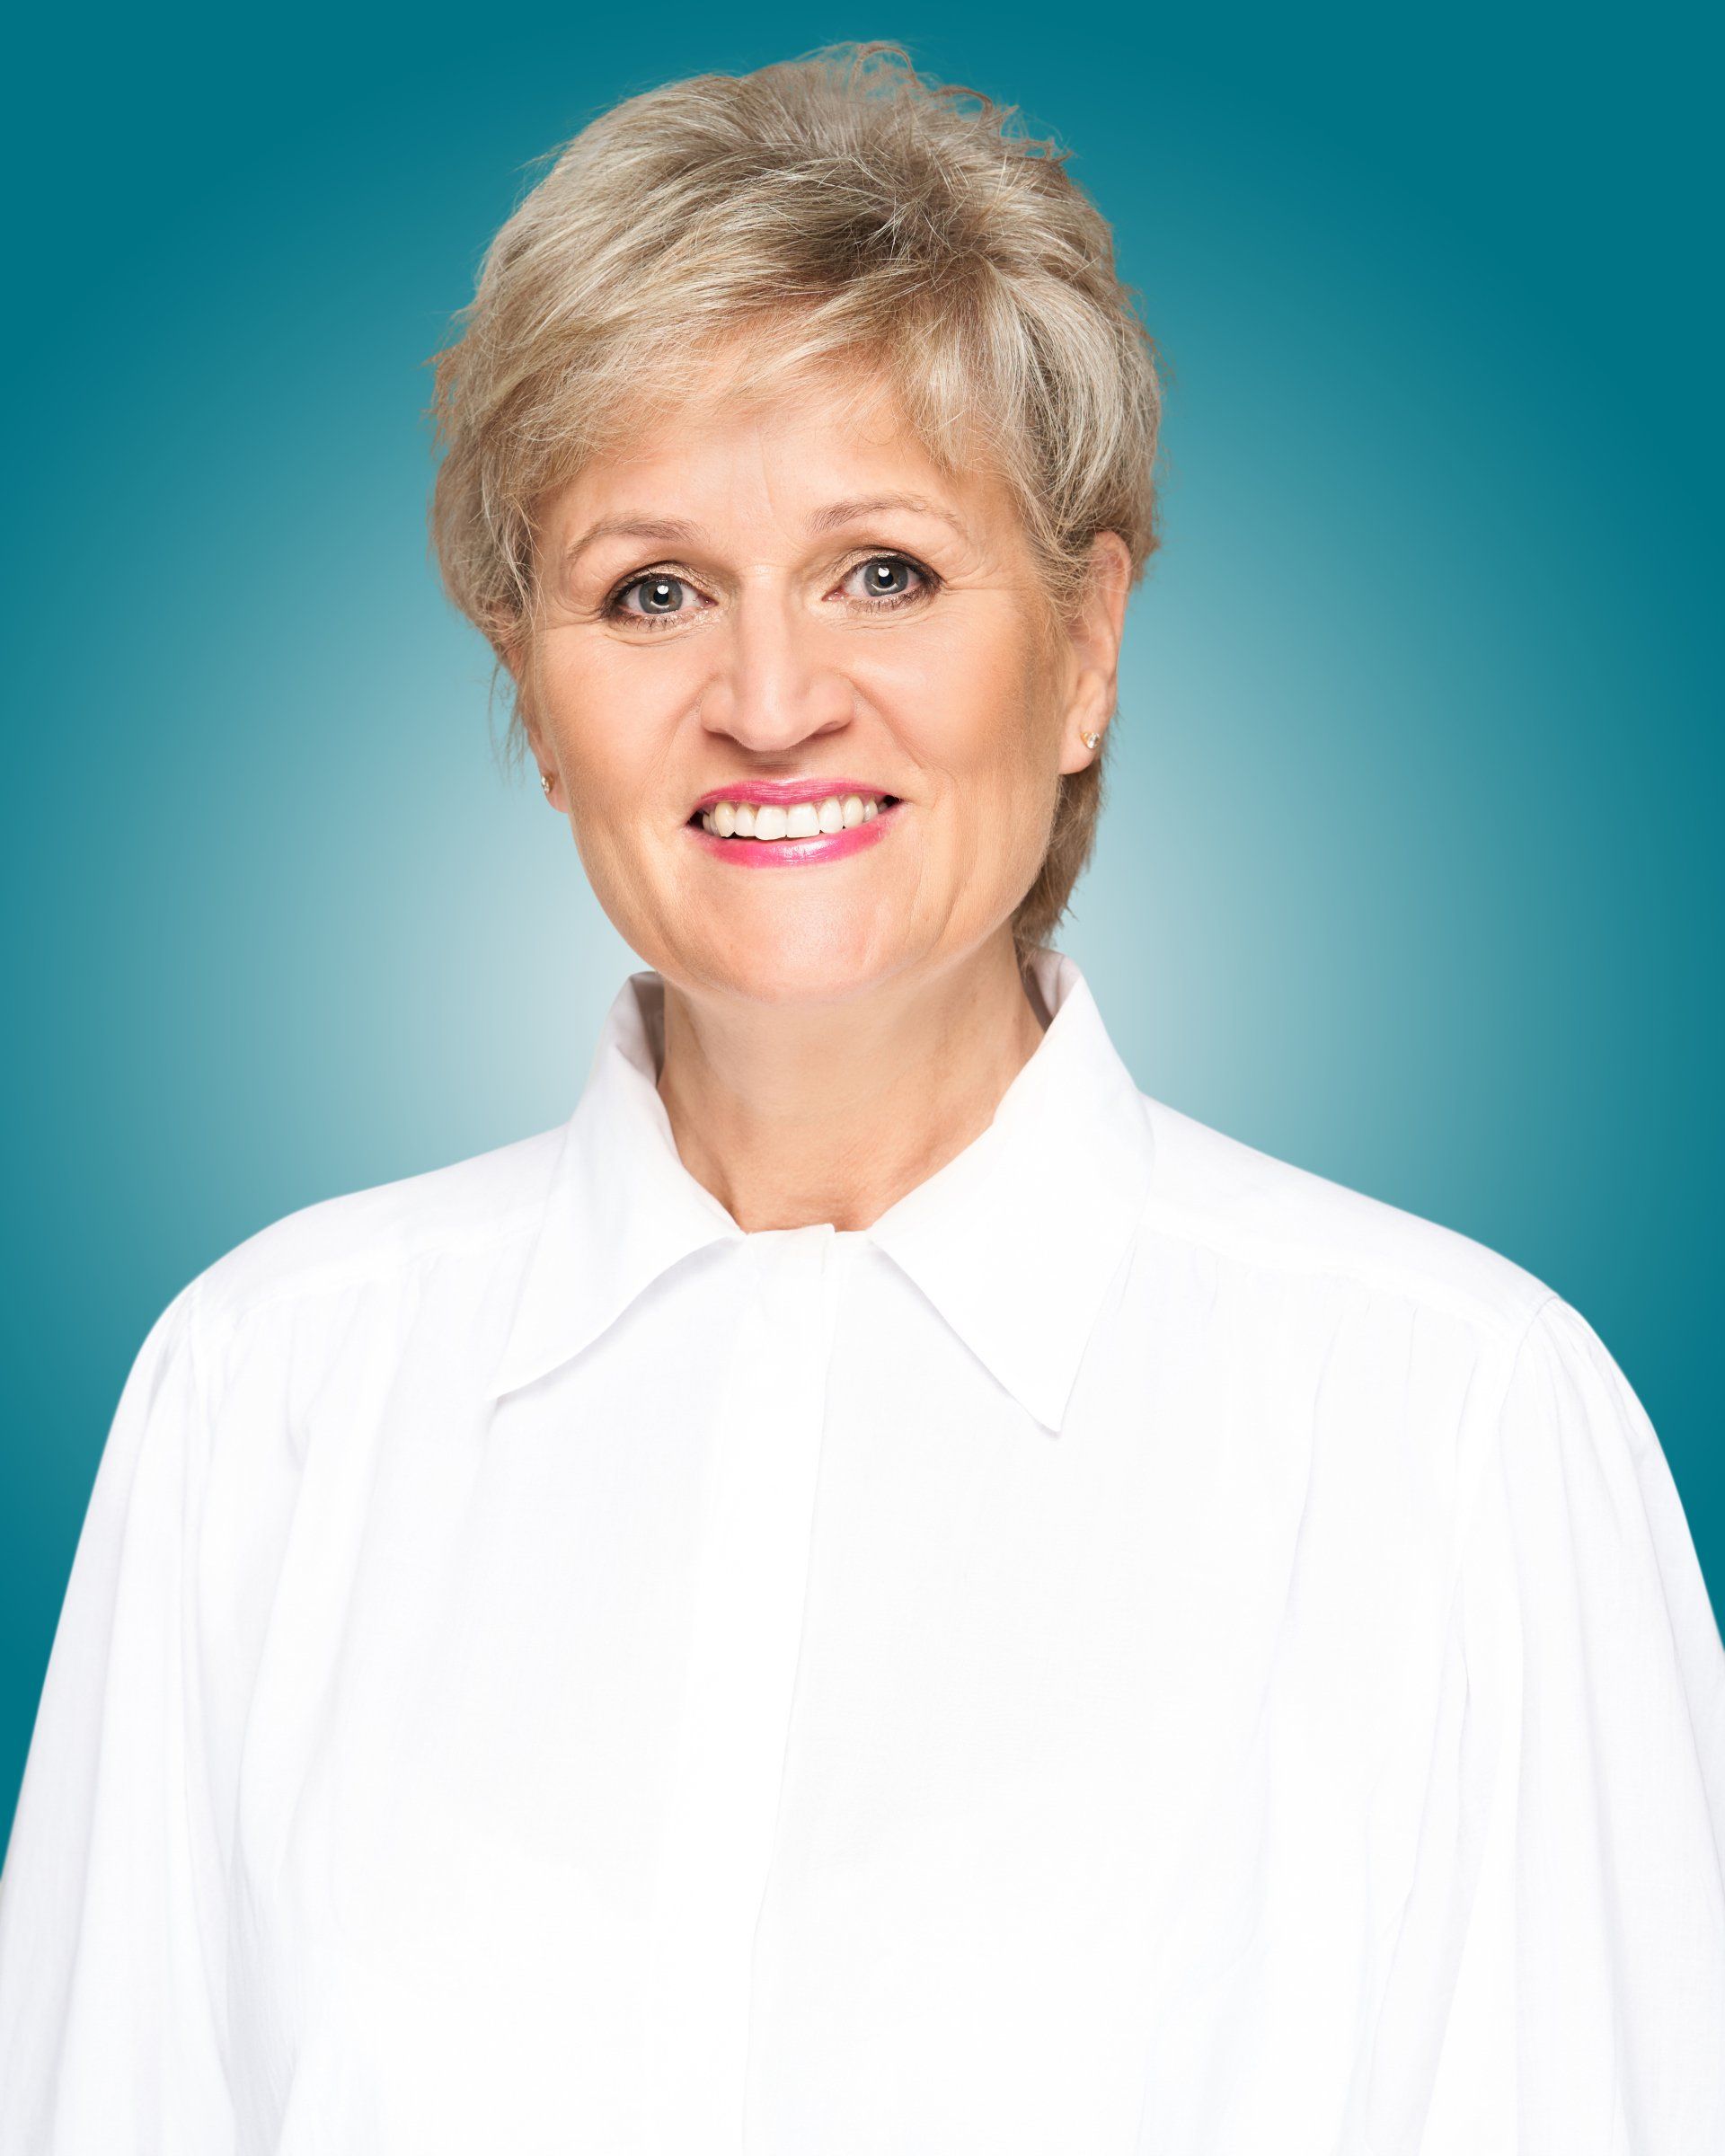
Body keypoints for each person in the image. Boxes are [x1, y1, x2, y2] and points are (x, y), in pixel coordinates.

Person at [2, 39, 1721, 2156]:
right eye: (653, 590)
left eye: (884, 570)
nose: (770, 697)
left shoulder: (1460, 1429)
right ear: (534, 695)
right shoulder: (261, 1401)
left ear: (1086, 644)